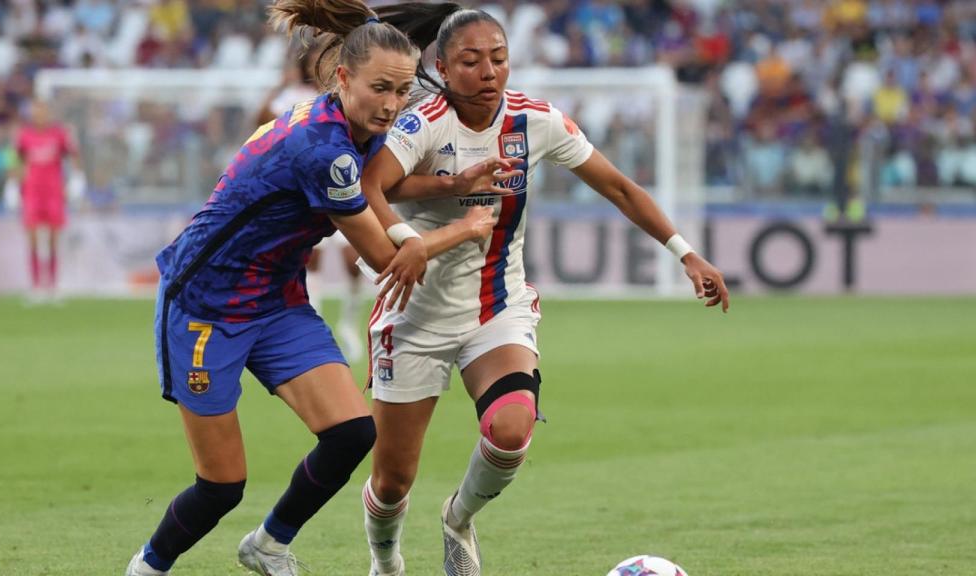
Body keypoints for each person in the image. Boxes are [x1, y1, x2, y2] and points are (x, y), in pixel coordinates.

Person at [124, 2, 497, 575]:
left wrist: (447, 182)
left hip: (275, 301)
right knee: (222, 485)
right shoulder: (321, 150)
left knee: (350, 434)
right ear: (343, 78)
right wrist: (464, 227)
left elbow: (375, 185)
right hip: (205, 306)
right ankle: (147, 567)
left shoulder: (350, 123)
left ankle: (269, 545)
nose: (394, 105)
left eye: (401, 91)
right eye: (382, 89)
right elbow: (384, 257)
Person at [357, 5, 730, 576]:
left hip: (496, 307)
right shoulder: (422, 122)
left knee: (510, 427)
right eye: (471, 61)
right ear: (442, 66)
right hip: (415, 314)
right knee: (391, 482)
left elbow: (620, 188)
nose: (489, 72)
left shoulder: (536, 120)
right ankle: (386, 561)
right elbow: (370, 186)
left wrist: (686, 253)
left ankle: (458, 518)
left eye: (499, 59)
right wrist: (411, 236)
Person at [256, 50, 370, 362]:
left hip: (344, 187)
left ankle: (349, 323)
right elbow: (262, 123)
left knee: (353, 261)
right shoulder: (295, 96)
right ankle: (316, 323)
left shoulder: (341, 95)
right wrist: (280, 85)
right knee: (312, 261)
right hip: (309, 194)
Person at [13, 101, 84, 299]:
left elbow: (73, 155)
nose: (40, 115)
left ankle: (52, 285)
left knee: (53, 239)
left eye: (43, 111)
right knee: (33, 239)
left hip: (54, 192)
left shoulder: (59, 134)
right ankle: (36, 286)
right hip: (32, 192)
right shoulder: (24, 135)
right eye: (36, 111)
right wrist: (12, 184)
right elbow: (15, 158)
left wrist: (77, 178)